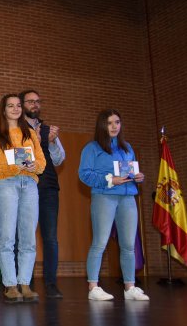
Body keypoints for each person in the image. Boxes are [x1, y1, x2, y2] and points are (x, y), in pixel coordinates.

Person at [0, 94, 46, 303]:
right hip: (6, 185)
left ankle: (24, 284)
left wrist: (35, 165)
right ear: (4, 110)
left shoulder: (30, 133)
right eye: (11, 106)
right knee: (7, 239)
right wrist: (10, 168)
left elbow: (42, 161)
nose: (16, 109)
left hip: (30, 185)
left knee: (28, 239)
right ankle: (10, 286)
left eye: (18, 105)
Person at [79, 109, 148, 301]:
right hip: (104, 197)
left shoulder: (127, 148)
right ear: (102, 125)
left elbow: (130, 172)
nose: (114, 126)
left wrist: (138, 178)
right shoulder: (92, 148)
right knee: (100, 243)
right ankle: (93, 288)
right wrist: (109, 180)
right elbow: (84, 174)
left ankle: (130, 287)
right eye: (109, 123)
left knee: (128, 245)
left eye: (117, 122)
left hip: (128, 198)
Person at [16, 90, 66, 298]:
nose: (35, 104)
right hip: (25, 188)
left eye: (38, 101)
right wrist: (34, 142)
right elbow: (18, 161)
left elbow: (59, 160)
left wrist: (51, 142)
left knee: (50, 238)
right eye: (31, 101)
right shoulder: (15, 129)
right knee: (23, 238)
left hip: (48, 188)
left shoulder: (48, 130)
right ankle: (23, 283)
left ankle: (51, 284)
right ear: (22, 105)